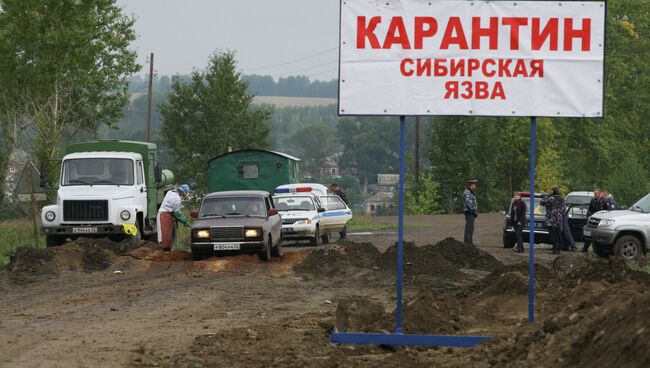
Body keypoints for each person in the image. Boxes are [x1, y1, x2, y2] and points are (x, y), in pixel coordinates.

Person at [157, 184, 191, 251]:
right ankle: (163, 253)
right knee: (164, 237)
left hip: (167, 214)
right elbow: (178, 214)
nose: (184, 195)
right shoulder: (177, 199)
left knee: (168, 236)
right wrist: (185, 221)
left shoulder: (171, 192)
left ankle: (167, 252)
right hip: (164, 215)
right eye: (184, 193)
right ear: (181, 191)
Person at [541, 186, 565, 255]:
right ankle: (557, 250)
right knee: (558, 235)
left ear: (552, 191)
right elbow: (564, 210)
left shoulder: (551, 198)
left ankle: (555, 250)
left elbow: (542, 202)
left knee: (553, 236)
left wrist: (547, 195)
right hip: (559, 220)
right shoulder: (562, 199)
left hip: (551, 220)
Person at [462, 179, 478, 246]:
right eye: (474, 184)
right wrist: (474, 211)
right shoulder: (467, 192)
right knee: (469, 227)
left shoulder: (469, 192)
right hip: (469, 212)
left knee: (470, 227)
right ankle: (467, 243)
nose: (475, 185)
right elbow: (469, 203)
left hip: (470, 212)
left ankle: (469, 242)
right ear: (471, 185)